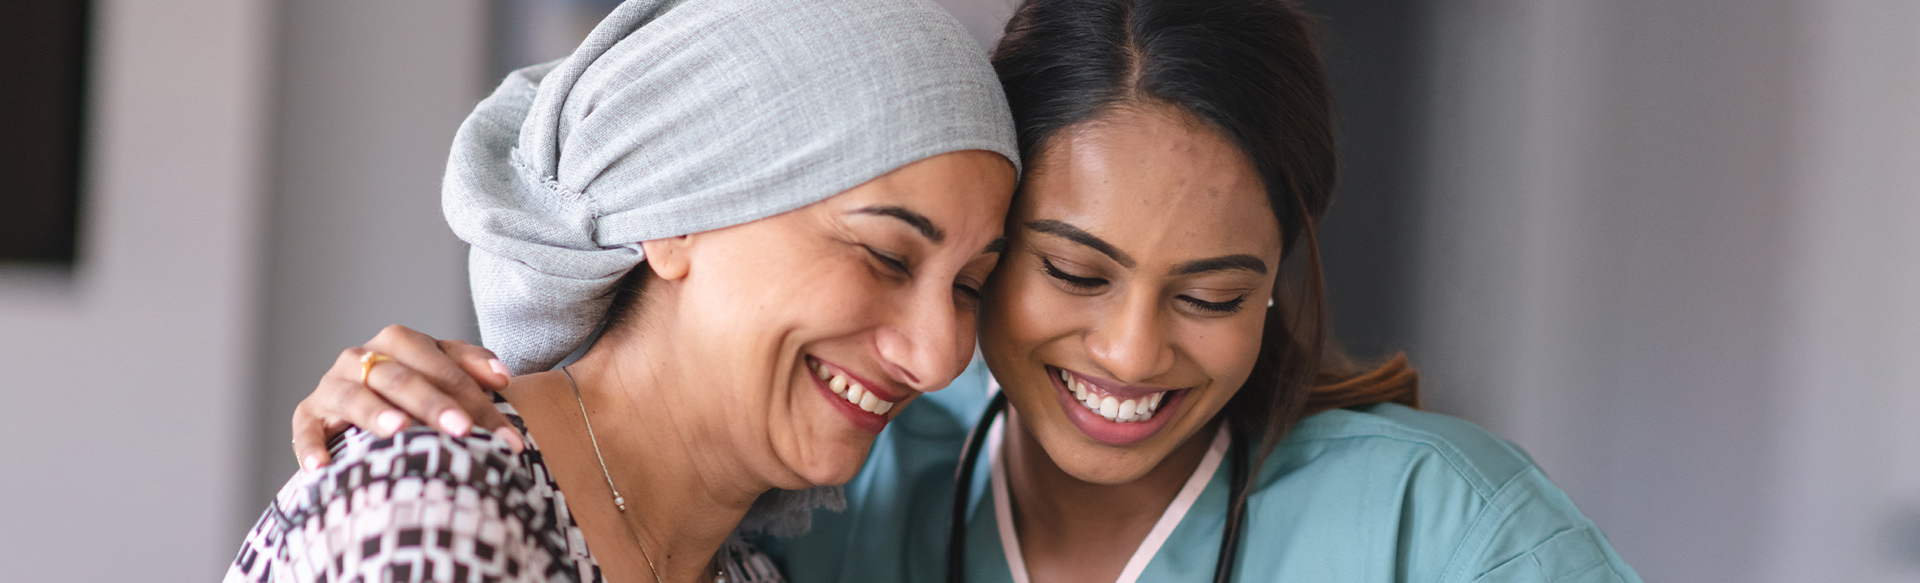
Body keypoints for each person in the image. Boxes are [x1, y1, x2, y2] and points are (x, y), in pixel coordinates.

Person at [282, 0, 1643, 581]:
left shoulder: (1451, 528)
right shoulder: (833, 502)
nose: (1129, 343)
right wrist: (406, 449)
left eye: (1216, 292)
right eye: (1061, 267)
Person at [226, 0, 1021, 582]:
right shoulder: (432, 508)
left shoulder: (748, 569)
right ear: (675, 219)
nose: (939, 353)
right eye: (886, 255)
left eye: (970, 286)